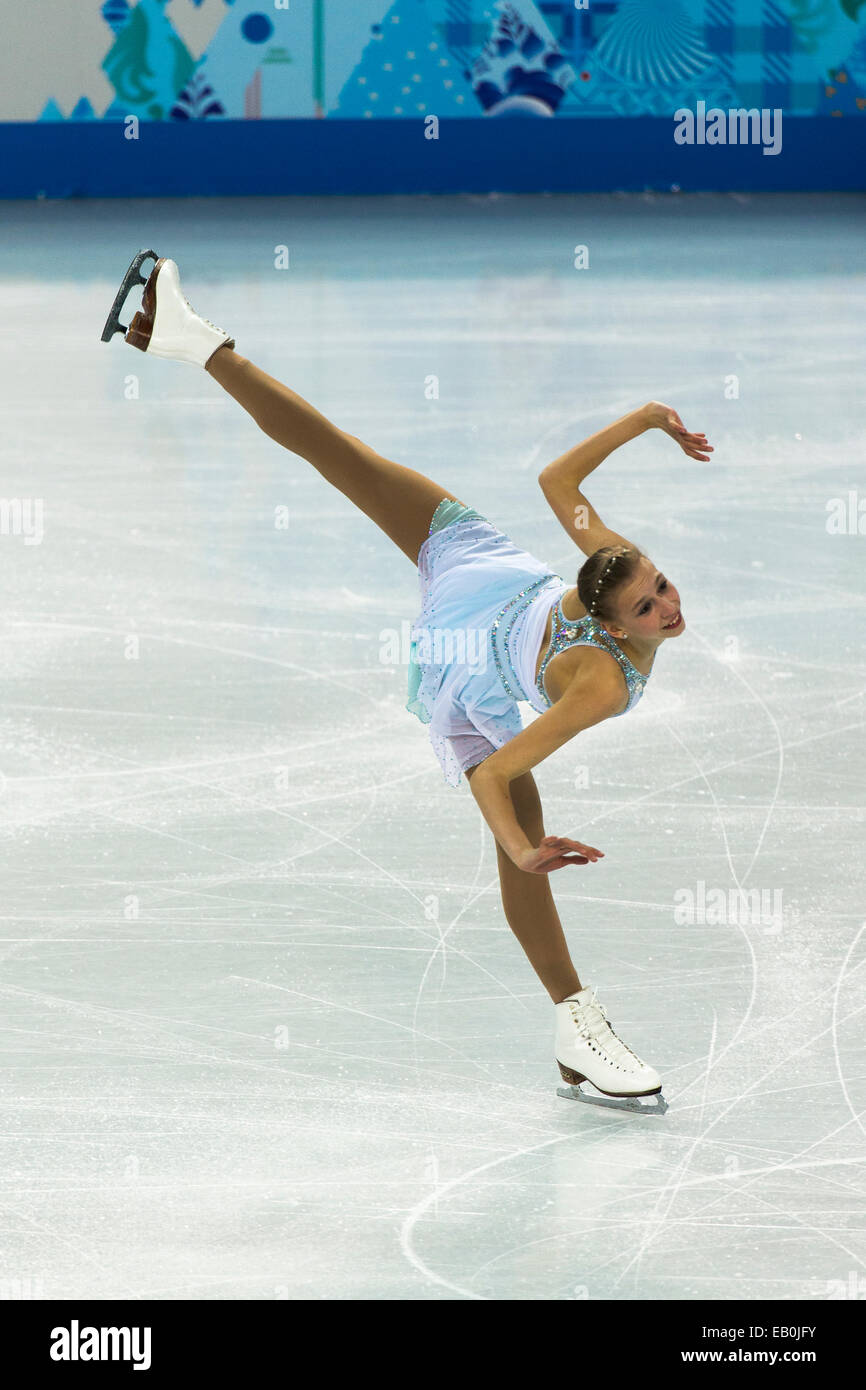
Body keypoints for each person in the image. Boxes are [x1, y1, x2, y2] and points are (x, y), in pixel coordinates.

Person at [103, 253, 713, 1106]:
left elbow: (557, 482)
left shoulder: (603, 564)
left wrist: (649, 418)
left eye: (662, 592)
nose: (667, 607)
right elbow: (499, 769)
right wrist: (520, 849)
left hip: (482, 568)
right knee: (521, 838)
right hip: (471, 661)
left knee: (340, 454)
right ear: (609, 620)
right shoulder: (600, 685)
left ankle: (191, 342)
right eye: (651, 604)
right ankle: (577, 1024)